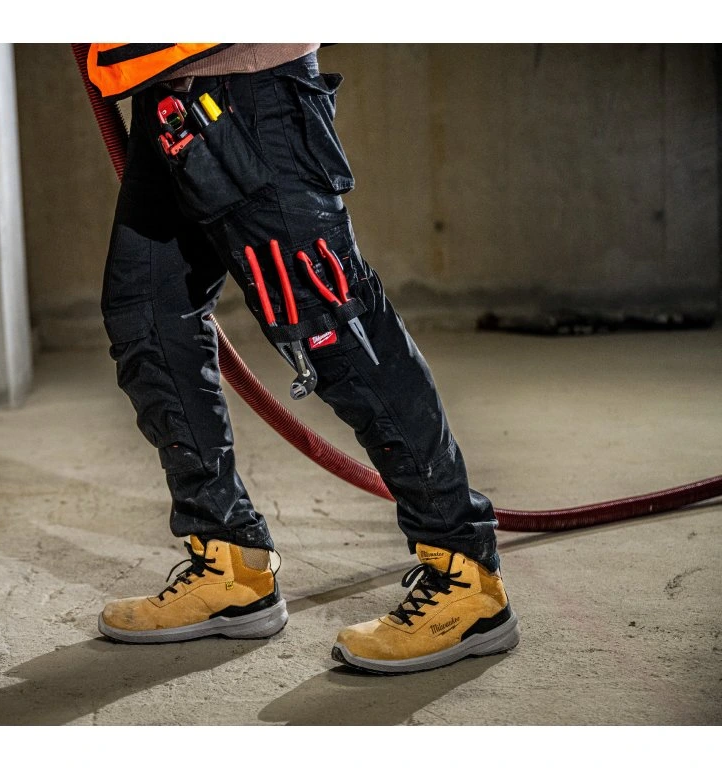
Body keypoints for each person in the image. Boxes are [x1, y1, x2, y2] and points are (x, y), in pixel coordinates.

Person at [88, 43, 519, 673]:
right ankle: (230, 563)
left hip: (247, 88)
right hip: (166, 95)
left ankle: (465, 576)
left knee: (334, 327)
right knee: (146, 316)